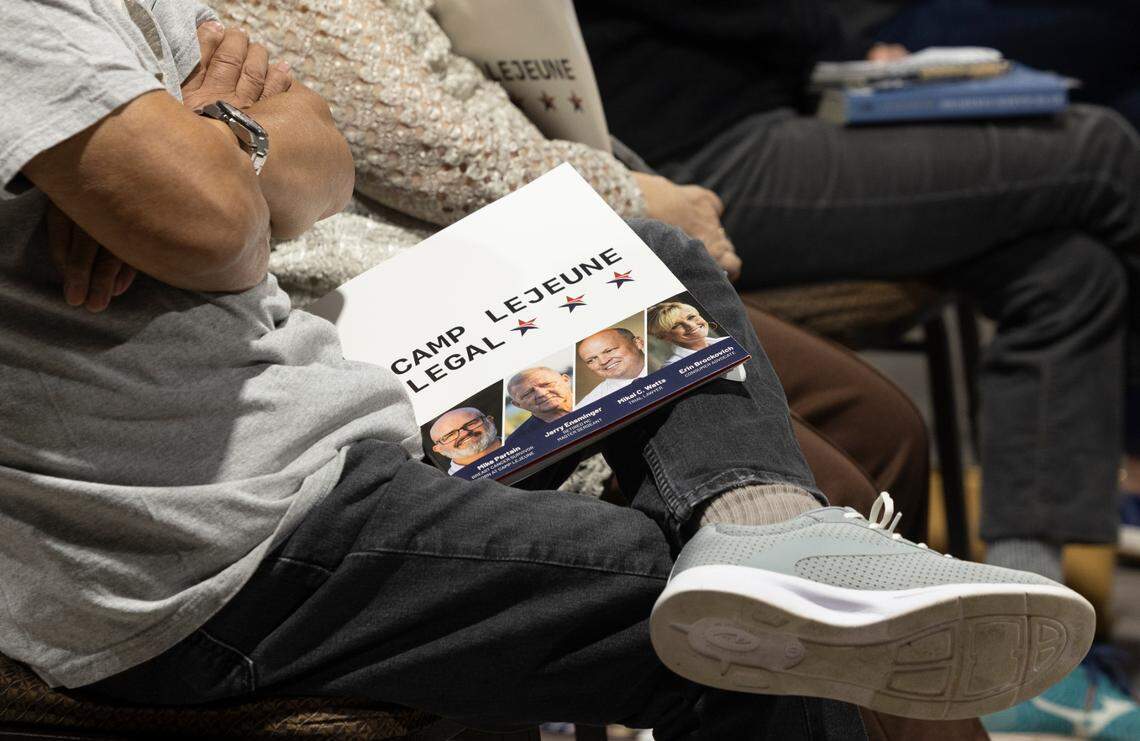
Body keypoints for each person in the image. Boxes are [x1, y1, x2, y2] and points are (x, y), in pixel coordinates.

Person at [2, 4, 1095, 737]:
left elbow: (314, 157)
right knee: (784, 627)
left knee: (660, 276)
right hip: (227, 521)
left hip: (320, 408)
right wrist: (227, 164)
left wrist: (209, 147)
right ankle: (783, 539)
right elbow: (267, 205)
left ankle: (761, 518)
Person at [211, 0, 937, 549]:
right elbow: (434, 154)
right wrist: (639, 192)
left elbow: (420, 128)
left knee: (880, 423)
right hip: (422, 313)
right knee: (831, 493)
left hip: (517, 253)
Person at [575, 327, 647, 408]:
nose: (603, 361)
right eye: (591, 360)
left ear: (638, 343)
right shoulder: (587, 406)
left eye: (609, 351)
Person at [648, 300, 728, 366]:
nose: (691, 325)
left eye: (691, 317)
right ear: (663, 337)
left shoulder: (728, 341)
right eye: (676, 326)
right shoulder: (672, 366)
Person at [506, 366, 575, 439]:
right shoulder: (517, 441)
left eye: (546, 384)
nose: (541, 394)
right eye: (528, 393)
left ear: (565, 380)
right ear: (518, 405)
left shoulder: (588, 402)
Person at [429, 408, 503, 474]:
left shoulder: (514, 437)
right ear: (439, 449)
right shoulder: (452, 486)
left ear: (490, 421)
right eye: (450, 435)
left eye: (471, 424)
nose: (464, 433)